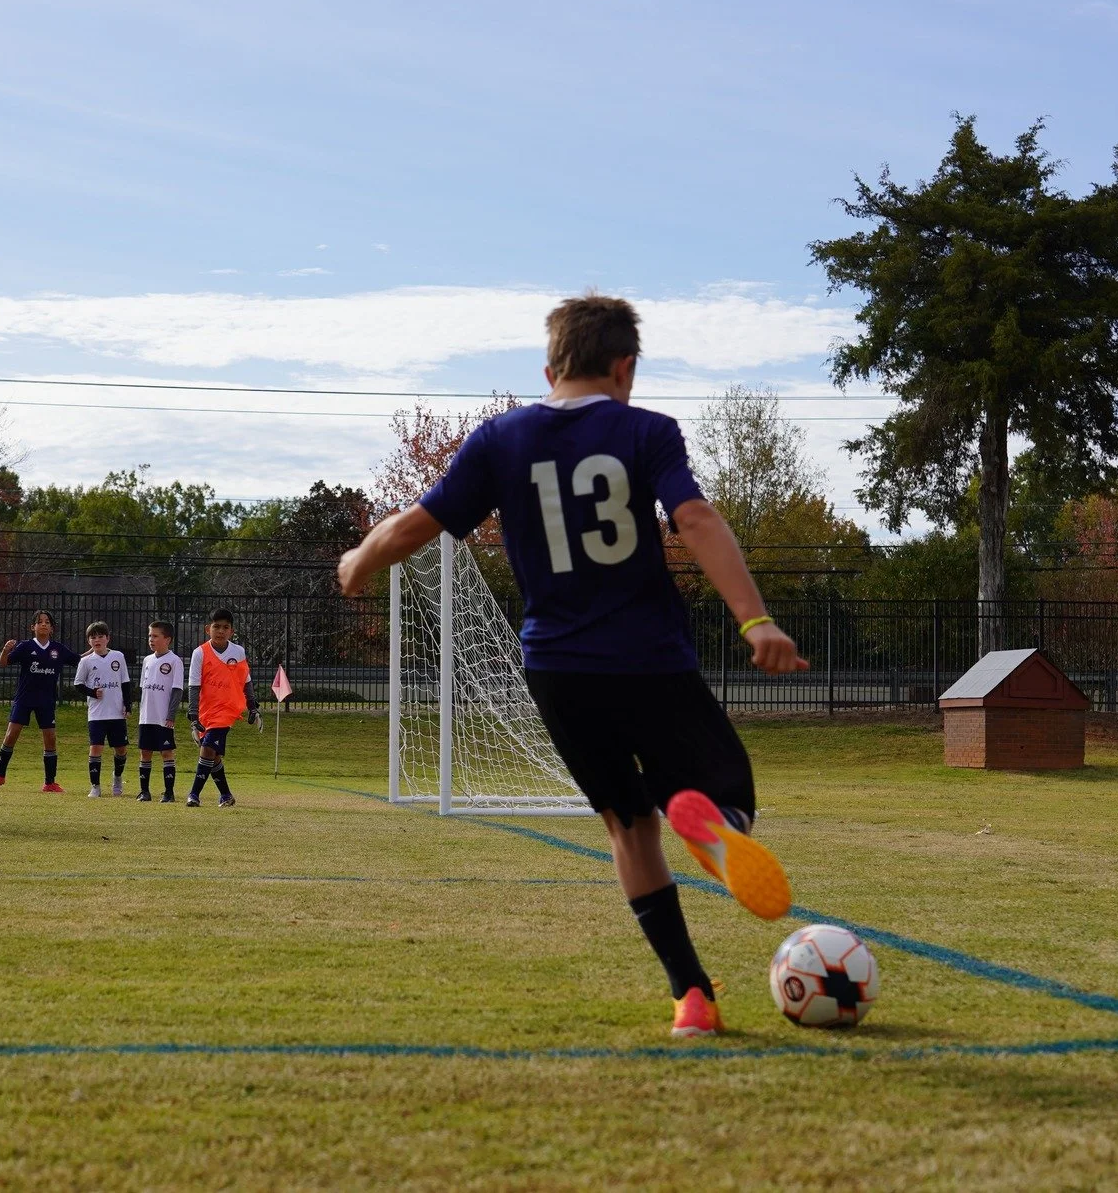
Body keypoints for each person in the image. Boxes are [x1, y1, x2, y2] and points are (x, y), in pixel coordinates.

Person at [336, 294, 809, 1039]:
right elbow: (696, 519)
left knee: (627, 826)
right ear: (625, 366)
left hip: (557, 669)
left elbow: (417, 522)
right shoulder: (647, 431)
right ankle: (718, 825)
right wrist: (756, 619)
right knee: (725, 787)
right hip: (650, 659)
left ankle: (692, 995)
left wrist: (359, 557)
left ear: (549, 367)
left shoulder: (500, 439)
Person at [0, 611, 77, 793]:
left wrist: (96, 648)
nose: (43, 624)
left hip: (46, 700)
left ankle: (49, 783)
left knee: (50, 738)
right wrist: (5, 650)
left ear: (52, 628)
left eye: (47, 622)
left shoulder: (58, 649)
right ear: (32, 627)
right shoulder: (26, 647)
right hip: (24, 698)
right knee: (11, 735)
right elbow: (3, 663)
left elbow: (80, 659)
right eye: (39, 622)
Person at [185, 608, 256, 808]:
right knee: (213, 754)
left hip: (227, 711)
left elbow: (246, 680)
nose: (221, 631)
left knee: (207, 749)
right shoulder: (199, 653)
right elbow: (194, 685)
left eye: (226, 627)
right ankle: (226, 795)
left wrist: (252, 706)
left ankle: (194, 794)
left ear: (231, 632)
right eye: (217, 626)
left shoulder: (238, 651)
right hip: (207, 711)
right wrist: (193, 713)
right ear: (208, 629)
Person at [72, 622, 132, 797]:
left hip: (116, 713)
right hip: (97, 714)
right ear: (89, 641)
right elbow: (78, 684)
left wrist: (127, 705)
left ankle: (117, 778)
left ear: (107, 638)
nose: (97, 640)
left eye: (100, 636)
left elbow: (125, 682)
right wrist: (92, 692)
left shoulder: (118, 657)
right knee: (96, 748)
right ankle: (95, 786)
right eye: (93, 637)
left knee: (121, 749)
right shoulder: (86, 661)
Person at [134, 621, 185, 802]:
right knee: (145, 752)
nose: (151, 639)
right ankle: (144, 792)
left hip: (163, 718)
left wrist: (171, 715)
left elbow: (177, 690)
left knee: (166, 752)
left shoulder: (174, 661)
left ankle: (169, 793)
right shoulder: (147, 660)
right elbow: (143, 688)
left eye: (155, 636)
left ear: (167, 639)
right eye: (150, 636)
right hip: (146, 716)